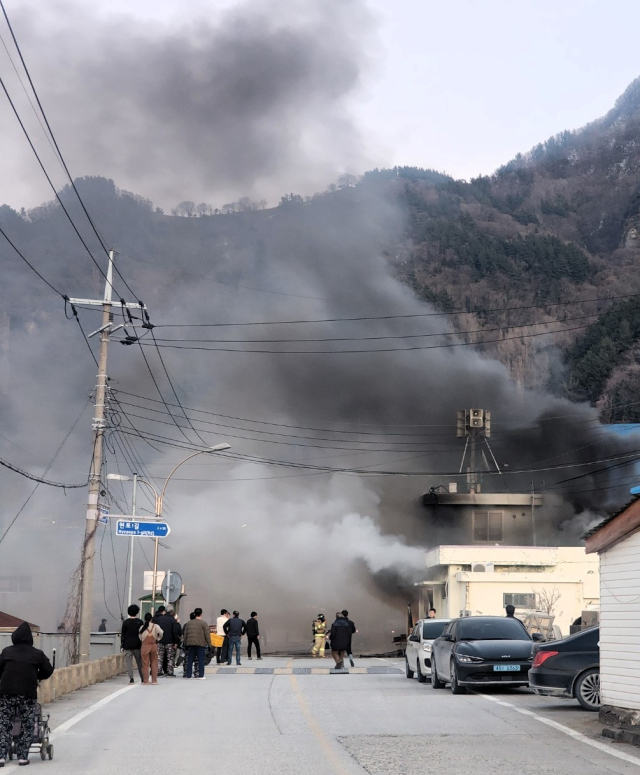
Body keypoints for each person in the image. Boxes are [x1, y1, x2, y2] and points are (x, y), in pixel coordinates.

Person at [0, 622, 54, 766]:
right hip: (27, 694)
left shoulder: (6, 652)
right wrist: (37, 676)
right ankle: (23, 757)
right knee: (27, 724)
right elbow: (48, 670)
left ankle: (1, 756)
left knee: (4, 723)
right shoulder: (37, 654)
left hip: (7, 693)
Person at [183, 608, 210, 679]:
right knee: (201, 660)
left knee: (190, 660)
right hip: (201, 644)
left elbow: (185, 634)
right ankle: (201, 675)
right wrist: (210, 645)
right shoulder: (204, 623)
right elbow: (207, 635)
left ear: (194, 614)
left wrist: (185, 644)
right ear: (201, 614)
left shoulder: (189, 623)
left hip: (191, 644)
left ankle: (188, 674)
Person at [154, 607, 182, 677]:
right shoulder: (173, 620)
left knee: (160, 657)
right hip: (170, 641)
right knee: (170, 657)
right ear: (171, 612)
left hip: (160, 641)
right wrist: (175, 643)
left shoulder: (159, 619)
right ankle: (170, 672)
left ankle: (158, 671)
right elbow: (175, 632)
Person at [121, 604, 144, 683]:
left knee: (128, 662)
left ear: (128, 612)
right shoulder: (140, 622)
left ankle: (131, 678)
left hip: (127, 645)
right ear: (137, 612)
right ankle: (142, 678)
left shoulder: (125, 622)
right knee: (139, 662)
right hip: (137, 645)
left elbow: (123, 635)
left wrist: (122, 645)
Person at [139, 613, 163, 685]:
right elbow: (161, 632)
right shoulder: (155, 626)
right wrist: (158, 639)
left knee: (145, 663)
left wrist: (143, 640)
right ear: (151, 619)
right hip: (153, 645)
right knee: (154, 663)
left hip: (145, 645)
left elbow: (140, 636)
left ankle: (146, 681)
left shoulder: (142, 627)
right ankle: (154, 680)